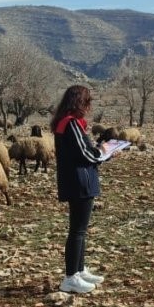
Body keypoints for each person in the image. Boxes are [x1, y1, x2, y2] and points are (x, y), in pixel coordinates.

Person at [51, 84, 111, 293]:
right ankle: (71, 277)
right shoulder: (71, 124)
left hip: (78, 179)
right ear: (78, 102)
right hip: (79, 181)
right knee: (77, 230)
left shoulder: (67, 123)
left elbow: (82, 150)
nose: (89, 106)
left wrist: (100, 152)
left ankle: (79, 269)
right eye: (87, 102)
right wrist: (104, 152)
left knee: (80, 229)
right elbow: (84, 154)